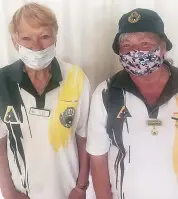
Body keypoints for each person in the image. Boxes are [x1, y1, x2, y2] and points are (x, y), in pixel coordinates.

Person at [0, 3, 90, 199]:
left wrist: (82, 187)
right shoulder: (2, 81)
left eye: (44, 36)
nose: (37, 47)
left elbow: (83, 138)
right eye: (26, 38)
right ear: (15, 41)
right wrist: (8, 192)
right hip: (22, 192)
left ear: (55, 37)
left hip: (67, 191)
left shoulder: (76, 77)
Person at [86, 8, 178, 199]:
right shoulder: (106, 93)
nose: (135, 52)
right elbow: (97, 159)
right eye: (126, 45)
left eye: (145, 44)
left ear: (163, 47)